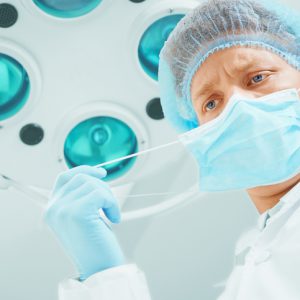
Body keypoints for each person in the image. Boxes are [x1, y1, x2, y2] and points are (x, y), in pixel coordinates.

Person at [44, 0, 300, 299]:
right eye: (211, 103)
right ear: (199, 136)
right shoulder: (254, 252)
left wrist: (105, 276)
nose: (237, 105)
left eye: (257, 77)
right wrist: (101, 274)